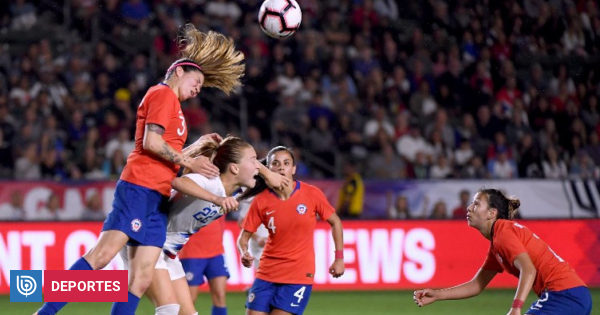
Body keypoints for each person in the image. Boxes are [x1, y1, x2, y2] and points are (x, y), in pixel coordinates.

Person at [36, 24, 245, 315]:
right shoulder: (162, 95)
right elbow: (150, 142)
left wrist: (195, 149)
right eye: (197, 81)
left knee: (141, 277)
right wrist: (190, 161)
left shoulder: (175, 109)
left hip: (157, 197)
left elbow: (166, 155)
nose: (198, 89)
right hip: (140, 187)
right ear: (179, 71)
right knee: (101, 255)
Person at [132, 136, 289, 315]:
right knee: (168, 309)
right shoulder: (210, 182)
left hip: (167, 253)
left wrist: (268, 173)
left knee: (187, 313)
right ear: (235, 168)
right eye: (253, 161)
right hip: (148, 242)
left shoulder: (235, 191)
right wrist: (216, 199)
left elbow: (264, 177)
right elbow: (176, 181)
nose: (257, 166)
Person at [413, 188, 592, 315]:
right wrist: (438, 294)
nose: (469, 208)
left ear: (491, 213)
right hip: (573, 295)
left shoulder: (503, 231)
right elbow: (477, 285)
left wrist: (516, 307)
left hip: (564, 295)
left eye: (476, 204)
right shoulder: (497, 243)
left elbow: (529, 270)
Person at [238, 146, 345, 315]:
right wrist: (244, 252)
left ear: (293, 169)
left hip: (297, 276)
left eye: (286, 163)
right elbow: (243, 237)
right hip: (266, 273)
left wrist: (339, 258)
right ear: (268, 169)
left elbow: (336, 222)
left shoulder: (311, 194)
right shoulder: (261, 201)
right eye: (276, 163)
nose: (281, 167)